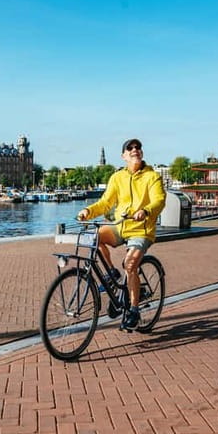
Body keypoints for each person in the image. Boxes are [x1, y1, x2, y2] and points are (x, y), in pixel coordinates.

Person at [77, 138, 166, 331]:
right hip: (120, 226)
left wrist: (146, 211)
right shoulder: (117, 177)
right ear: (123, 156)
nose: (135, 149)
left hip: (141, 229)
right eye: (130, 148)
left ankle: (134, 309)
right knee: (93, 238)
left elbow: (159, 200)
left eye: (138, 147)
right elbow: (105, 203)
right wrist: (87, 211)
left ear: (141, 153)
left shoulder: (152, 177)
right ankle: (112, 274)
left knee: (130, 265)